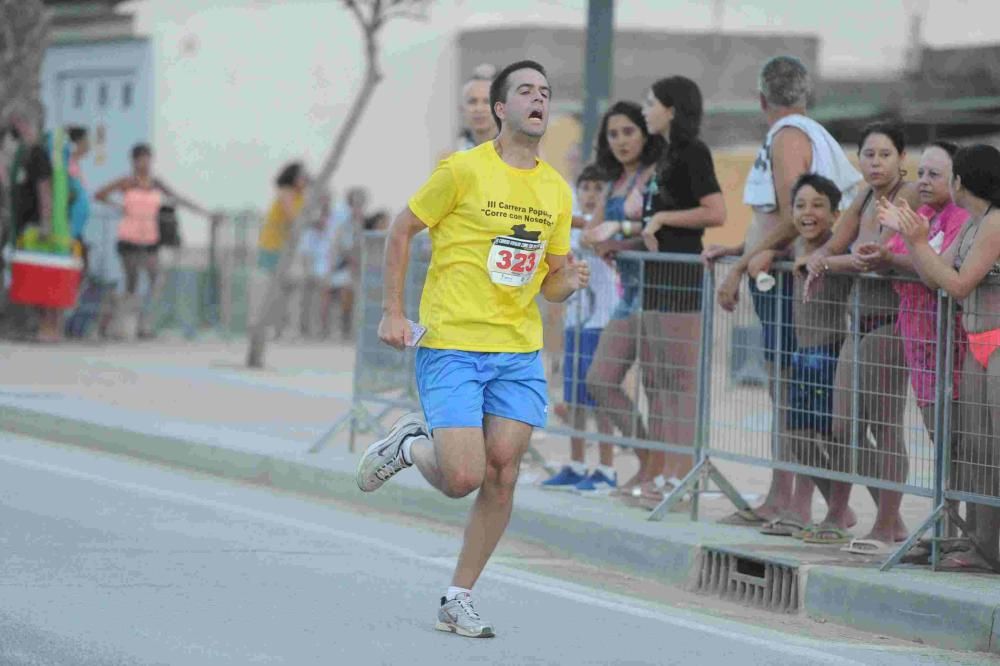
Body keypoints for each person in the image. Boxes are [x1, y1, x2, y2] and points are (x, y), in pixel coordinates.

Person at [355, 60, 587, 637]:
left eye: (546, 92)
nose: (539, 99)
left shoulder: (555, 191)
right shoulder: (461, 171)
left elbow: (550, 279)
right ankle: (413, 444)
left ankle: (458, 595)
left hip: (517, 349)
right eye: (526, 91)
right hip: (454, 342)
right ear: (501, 109)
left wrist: (570, 279)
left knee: (503, 473)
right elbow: (401, 228)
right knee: (463, 476)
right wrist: (392, 311)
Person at [702, 55, 862, 526]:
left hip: (788, 285)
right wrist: (741, 248)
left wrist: (740, 269)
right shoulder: (809, 132)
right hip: (782, 275)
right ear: (805, 93)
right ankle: (791, 498)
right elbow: (785, 219)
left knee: (793, 393)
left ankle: (799, 502)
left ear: (761, 99)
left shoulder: (789, 135)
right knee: (788, 393)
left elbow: (799, 215)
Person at [798, 122, 919, 553]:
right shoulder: (865, 196)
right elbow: (838, 242)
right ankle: (851, 513)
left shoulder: (907, 197)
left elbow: (873, 259)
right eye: (868, 154)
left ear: (901, 159)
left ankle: (886, 525)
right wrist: (819, 256)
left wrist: (826, 264)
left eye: (884, 154)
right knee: (844, 424)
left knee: (885, 427)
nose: (875, 162)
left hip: (889, 323)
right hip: (857, 324)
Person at [890, 144, 1000, 571]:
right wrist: (915, 242)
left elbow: (957, 285)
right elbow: (935, 274)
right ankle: (984, 545)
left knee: (995, 448)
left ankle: (989, 547)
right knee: (978, 451)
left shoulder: (994, 223)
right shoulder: (974, 225)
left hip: (996, 341)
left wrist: (918, 243)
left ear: (961, 181)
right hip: (977, 343)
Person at [630, 76, 726, 509]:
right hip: (656, 278)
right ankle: (664, 470)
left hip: (682, 279)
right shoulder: (665, 155)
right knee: (658, 380)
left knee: (681, 382)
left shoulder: (694, 152)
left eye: (651, 102)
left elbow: (716, 211)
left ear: (672, 108)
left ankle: (680, 473)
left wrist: (664, 218)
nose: (645, 110)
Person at [747, 174, 852, 540]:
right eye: (801, 205)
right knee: (798, 435)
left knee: (834, 437)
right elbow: (776, 253)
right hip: (805, 355)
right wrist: (767, 253)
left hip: (831, 353)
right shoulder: (794, 249)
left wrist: (825, 261)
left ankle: (838, 514)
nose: (808, 213)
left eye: (818, 205)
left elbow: (853, 263)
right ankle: (843, 509)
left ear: (836, 214)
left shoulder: (834, 251)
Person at [578, 101, 663, 501]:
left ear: (644, 134)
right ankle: (649, 463)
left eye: (629, 131)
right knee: (600, 380)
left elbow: (655, 233)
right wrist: (601, 243)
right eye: (613, 134)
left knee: (656, 386)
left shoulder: (653, 176)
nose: (622, 140)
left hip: (662, 292)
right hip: (628, 294)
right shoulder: (612, 182)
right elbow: (591, 234)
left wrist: (619, 241)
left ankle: (656, 472)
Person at [542, 164, 618, 493]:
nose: (590, 195)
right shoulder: (570, 229)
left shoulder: (608, 229)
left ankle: (606, 468)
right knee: (574, 399)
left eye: (597, 189)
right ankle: (575, 464)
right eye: (585, 188)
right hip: (575, 322)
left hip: (602, 323)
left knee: (600, 398)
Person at [94, 143, 216, 339]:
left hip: (150, 238)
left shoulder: (155, 183)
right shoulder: (126, 182)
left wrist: (206, 214)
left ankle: (145, 323)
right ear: (134, 161)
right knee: (131, 284)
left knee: (155, 279)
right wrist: (118, 206)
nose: (145, 163)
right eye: (141, 159)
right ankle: (115, 322)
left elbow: (179, 199)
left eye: (148, 158)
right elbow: (99, 194)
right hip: (129, 237)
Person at [4, 103, 60, 342]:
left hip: (35, 225)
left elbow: (44, 190)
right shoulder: (22, 154)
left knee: (40, 275)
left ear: (21, 124)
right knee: (25, 275)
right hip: (20, 225)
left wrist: (45, 223)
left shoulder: (37, 153)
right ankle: (29, 324)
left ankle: (47, 327)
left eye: (13, 126)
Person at [456, 64, 497, 152]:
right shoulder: (451, 157)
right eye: (472, 101)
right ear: (462, 109)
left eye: (487, 101)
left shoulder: (518, 154)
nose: (479, 109)